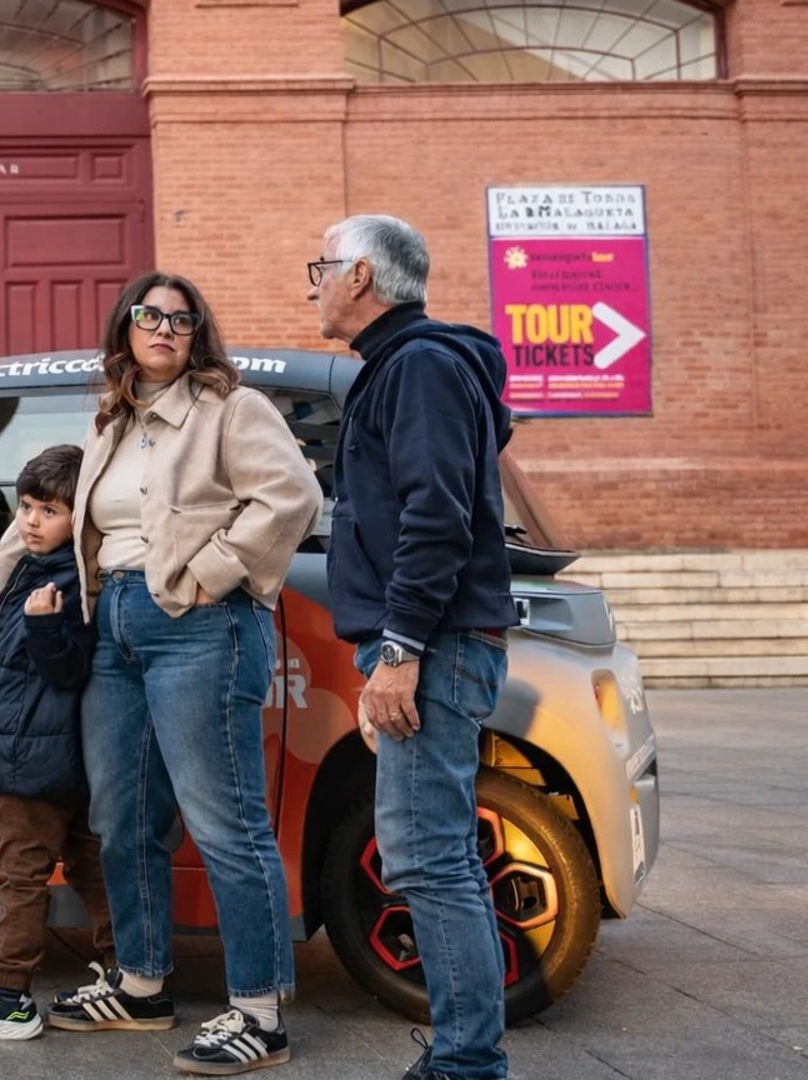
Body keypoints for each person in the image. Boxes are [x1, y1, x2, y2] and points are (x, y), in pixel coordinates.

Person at [0, 273, 320, 1075]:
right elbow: (56, 513)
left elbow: (291, 498)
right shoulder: (112, 421)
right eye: (149, 315)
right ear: (126, 327)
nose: (164, 328)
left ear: (197, 335)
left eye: (180, 319)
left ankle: (259, 1012)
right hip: (109, 626)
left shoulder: (230, 409)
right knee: (122, 817)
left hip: (200, 625)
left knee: (224, 820)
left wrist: (210, 573)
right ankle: (142, 984)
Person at [306, 215, 520, 1080]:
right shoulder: (407, 367)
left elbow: (437, 518)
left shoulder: (421, 367)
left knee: (428, 856)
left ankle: (466, 1063)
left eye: (321, 266)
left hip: (429, 646)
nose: (314, 281)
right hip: (427, 644)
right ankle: (464, 1055)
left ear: (360, 276)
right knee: (432, 852)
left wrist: (397, 650)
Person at [0, 444, 115, 1042]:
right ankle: (129, 970)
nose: (31, 521)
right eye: (26, 507)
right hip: (51, 751)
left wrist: (39, 626)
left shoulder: (67, 583)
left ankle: (8, 995)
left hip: (36, 757)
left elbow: (67, 670)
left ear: (79, 518)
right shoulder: (36, 569)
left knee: (20, 872)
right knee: (90, 865)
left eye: (49, 510)